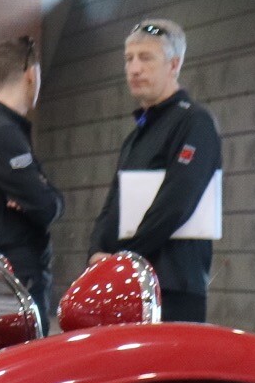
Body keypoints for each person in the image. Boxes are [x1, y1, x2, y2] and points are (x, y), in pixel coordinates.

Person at [88, 17, 222, 323]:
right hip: (129, 285)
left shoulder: (194, 123)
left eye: (146, 58)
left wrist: (125, 257)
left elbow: (176, 202)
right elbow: (112, 205)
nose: (134, 68)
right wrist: (96, 252)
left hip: (172, 287)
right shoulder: (136, 136)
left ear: (174, 65)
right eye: (129, 59)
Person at [0, 35, 62, 322]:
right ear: (31, 76)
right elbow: (48, 207)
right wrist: (45, 195)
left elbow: (41, 201)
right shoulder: (0, 134)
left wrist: (37, 196)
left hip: (7, 276)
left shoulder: (0, 130)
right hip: (14, 279)